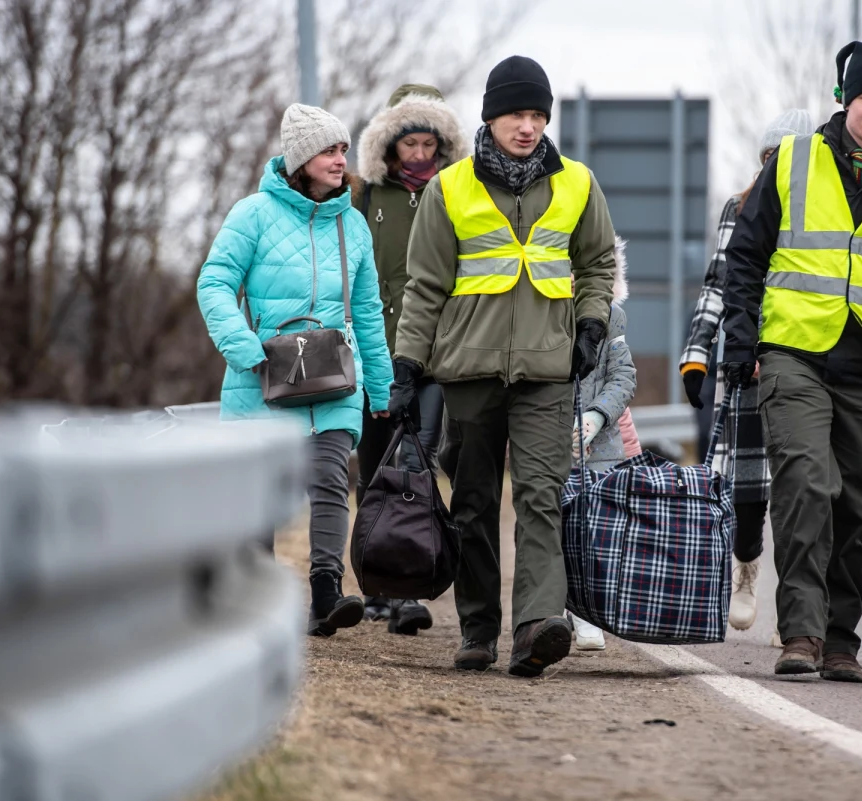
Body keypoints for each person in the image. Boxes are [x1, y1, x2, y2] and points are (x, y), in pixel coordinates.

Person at [720, 40, 862, 683]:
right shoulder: (794, 161)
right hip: (794, 352)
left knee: (854, 505)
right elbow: (745, 257)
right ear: (843, 102)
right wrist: (742, 343)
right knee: (805, 486)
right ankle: (799, 631)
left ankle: (840, 638)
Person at [390, 55, 618, 677]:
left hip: (547, 370)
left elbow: (598, 263)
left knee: (542, 497)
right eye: (517, 113)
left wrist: (591, 322)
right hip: (469, 371)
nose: (528, 126)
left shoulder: (577, 183)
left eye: (538, 114)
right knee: (473, 502)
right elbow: (425, 287)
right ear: (491, 117)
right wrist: (407, 366)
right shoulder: (449, 187)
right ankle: (479, 629)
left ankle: (535, 627)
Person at [197, 104, 393, 638]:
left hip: (333, 379)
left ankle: (327, 595)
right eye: (330, 150)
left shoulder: (353, 224)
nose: (341, 159)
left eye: (344, 149)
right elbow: (214, 283)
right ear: (302, 158)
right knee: (262, 493)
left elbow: (369, 311)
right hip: (262, 380)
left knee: (331, 480)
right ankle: (257, 597)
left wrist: (381, 386)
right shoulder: (252, 214)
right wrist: (245, 348)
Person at [680, 109, 814, 635]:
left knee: (804, 483)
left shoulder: (822, 219)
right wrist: (698, 352)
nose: (775, 167)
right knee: (749, 485)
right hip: (748, 364)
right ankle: (747, 569)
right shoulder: (737, 208)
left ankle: (801, 604)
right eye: (768, 157)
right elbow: (717, 284)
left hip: (807, 360)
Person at [351, 83, 469, 634]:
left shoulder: (459, 192)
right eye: (409, 145)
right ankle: (375, 583)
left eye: (428, 144)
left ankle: (407, 590)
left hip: (439, 353)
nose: (419, 155)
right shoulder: (369, 197)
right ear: (389, 146)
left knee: (418, 459)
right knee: (375, 462)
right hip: (377, 350)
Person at [570, 237, 638, 651]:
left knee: (596, 532)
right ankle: (558, 607)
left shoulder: (613, 318)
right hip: (550, 443)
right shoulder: (538, 318)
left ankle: (587, 611)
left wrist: (598, 414)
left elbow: (623, 375)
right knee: (554, 531)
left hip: (602, 446)